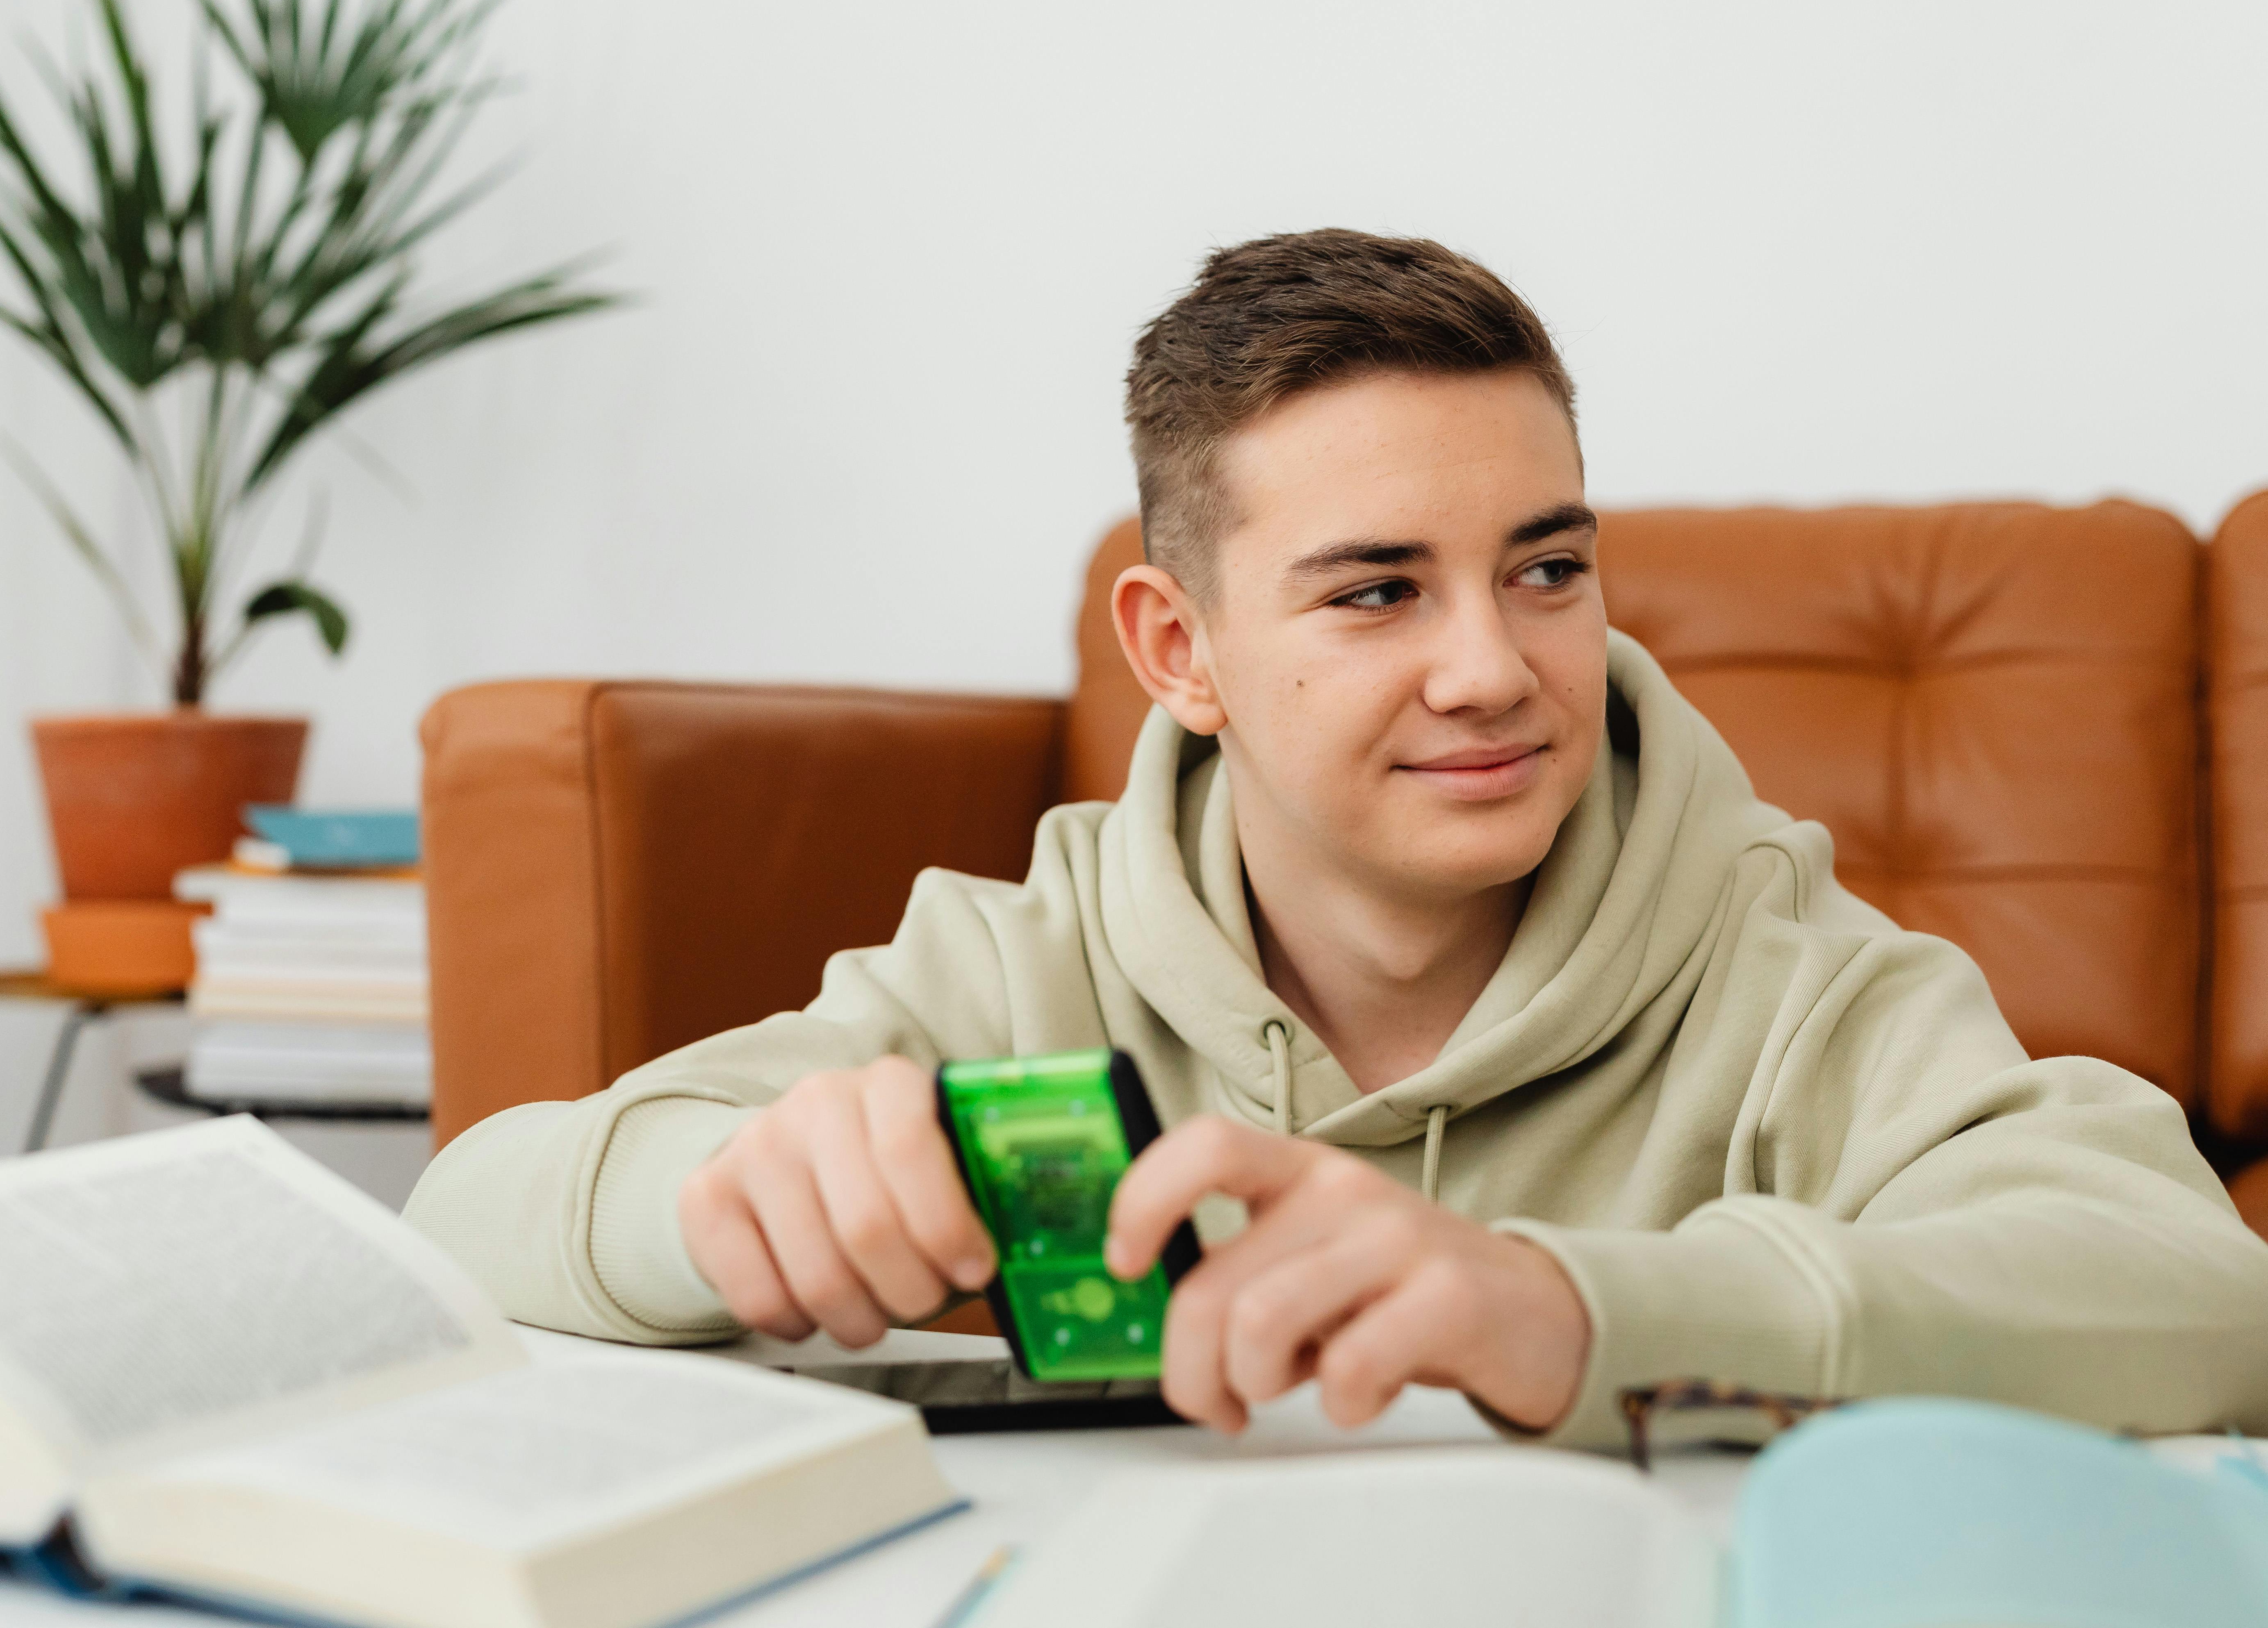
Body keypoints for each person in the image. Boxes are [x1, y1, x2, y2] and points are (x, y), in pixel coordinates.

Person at [404, 229, 2268, 1447]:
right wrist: (715, 1201)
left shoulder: (1779, 966)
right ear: (1179, 650)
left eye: (1546, 565)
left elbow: (2206, 1299)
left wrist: (1566, 1305)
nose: (1500, 667)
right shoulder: (1025, 959)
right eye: (1376, 591)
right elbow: (464, 1217)